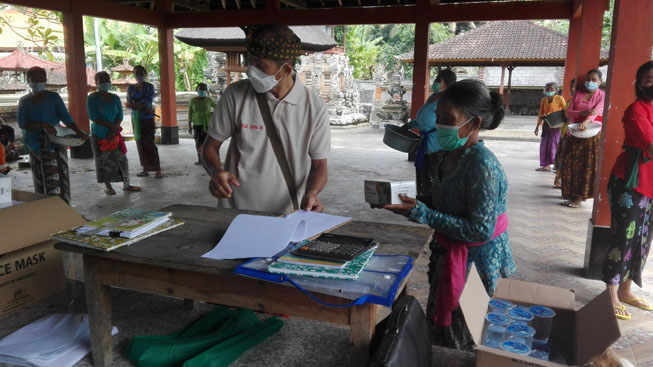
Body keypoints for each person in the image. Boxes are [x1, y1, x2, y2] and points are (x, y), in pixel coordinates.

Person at [380, 79, 515, 349]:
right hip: (447, 252)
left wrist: (423, 213)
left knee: (466, 334)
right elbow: (444, 203)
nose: (439, 125)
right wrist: (409, 204)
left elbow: (480, 230)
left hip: (476, 265)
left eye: (447, 119)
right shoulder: (446, 155)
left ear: (473, 124)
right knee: (443, 332)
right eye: (438, 117)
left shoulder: (482, 167)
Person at [202, 23, 330, 213]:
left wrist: (312, 193)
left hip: (287, 213)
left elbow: (319, 165)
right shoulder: (235, 95)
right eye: (250, 61)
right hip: (234, 210)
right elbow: (209, 147)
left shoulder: (314, 108)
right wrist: (217, 172)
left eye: (261, 66)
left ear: (285, 71)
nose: (250, 70)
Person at [602, 61, 653, 321]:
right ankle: (610, 294)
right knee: (623, 235)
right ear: (640, 82)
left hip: (650, 184)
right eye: (648, 79)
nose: (652, 83)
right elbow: (650, 143)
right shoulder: (636, 110)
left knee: (643, 238)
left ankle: (625, 290)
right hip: (629, 181)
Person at [17, 66, 88, 203]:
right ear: (28, 81)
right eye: (34, 79)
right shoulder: (24, 101)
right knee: (40, 178)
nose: (38, 82)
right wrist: (43, 125)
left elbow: (66, 118)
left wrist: (78, 132)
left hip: (54, 143)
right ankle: (46, 210)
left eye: (41, 79)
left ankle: (62, 208)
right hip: (34, 144)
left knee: (59, 177)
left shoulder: (53, 97)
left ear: (46, 80)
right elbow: (22, 124)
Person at [404, 69, 456, 198]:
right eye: (436, 79)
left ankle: (432, 205)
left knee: (433, 177)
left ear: (447, 83)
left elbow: (449, 121)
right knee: (422, 174)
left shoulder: (446, 100)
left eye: (439, 80)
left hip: (436, 145)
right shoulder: (432, 97)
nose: (435, 82)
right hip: (425, 144)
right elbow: (423, 118)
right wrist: (409, 126)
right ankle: (422, 200)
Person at [87, 71, 141, 195]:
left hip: (115, 134)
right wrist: (111, 127)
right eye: (102, 80)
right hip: (99, 134)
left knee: (122, 159)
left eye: (107, 80)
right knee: (103, 160)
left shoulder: (115, 97)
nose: (105, 83)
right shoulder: (92, 98)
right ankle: (108, 186)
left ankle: (126, 184)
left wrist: (113, 129)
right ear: (97, 83)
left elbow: (120, 115)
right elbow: (93, 116)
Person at [559, 69, 605, 208]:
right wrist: (582, 113)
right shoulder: (578, 94)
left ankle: (579, 197)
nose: (590, 82)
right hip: (574, 133)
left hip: (590, 135)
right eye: (588, 79)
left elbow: (598, 110)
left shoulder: (601, 95)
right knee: (570, 165)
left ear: (600, 82)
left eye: (594, 80)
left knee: (585, 166)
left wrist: (587, 121)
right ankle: (571, 195)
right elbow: (569, 112)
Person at [126, 65, 163, 178]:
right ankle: (145, 168)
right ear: (134, 74)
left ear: (145, 74)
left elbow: (147, 102)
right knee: (140, 143)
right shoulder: (130, 88)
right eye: (137, 73)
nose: (139, 75)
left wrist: (135, 105)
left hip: (147, 119)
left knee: (149, 143)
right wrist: (139, 105)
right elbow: (128, 103)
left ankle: (157, 168)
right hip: (136, 119)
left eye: (141, 73)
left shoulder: (149, 87)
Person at [535, 82, 566, 172]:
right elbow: (540, 113)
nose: (549, 91)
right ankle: (545, 166)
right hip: (546, 125)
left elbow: (565, 111)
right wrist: (537, 126)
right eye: (547, 89)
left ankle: (557, 165)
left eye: (551, 89)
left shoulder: (559, 99)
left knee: (554, 144)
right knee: (544, 145)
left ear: (556, 90)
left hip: (556, 126)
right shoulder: (543, 100)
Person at [553, 79, 575, 188]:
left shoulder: (575, 101)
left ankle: (562, 180)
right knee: (562, 157)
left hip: (573, 133)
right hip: (565, 131)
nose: (571, 89)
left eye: (573, 87)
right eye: (570, 86)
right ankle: (559, 178)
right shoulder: (571, 100)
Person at [188, 83, 216, 165]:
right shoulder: (193, 101)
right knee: (198, 142)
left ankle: (207, 159)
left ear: (206, 91)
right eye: (200, 89)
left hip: (208, 125)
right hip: (197, 124)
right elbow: (190, 113)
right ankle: (200, 159)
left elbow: (217, 108)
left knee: (207, 142)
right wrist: (189, 126)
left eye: (204, 89)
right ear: (197, 90)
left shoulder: (209, 100)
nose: (202, 91)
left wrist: (212, 115)